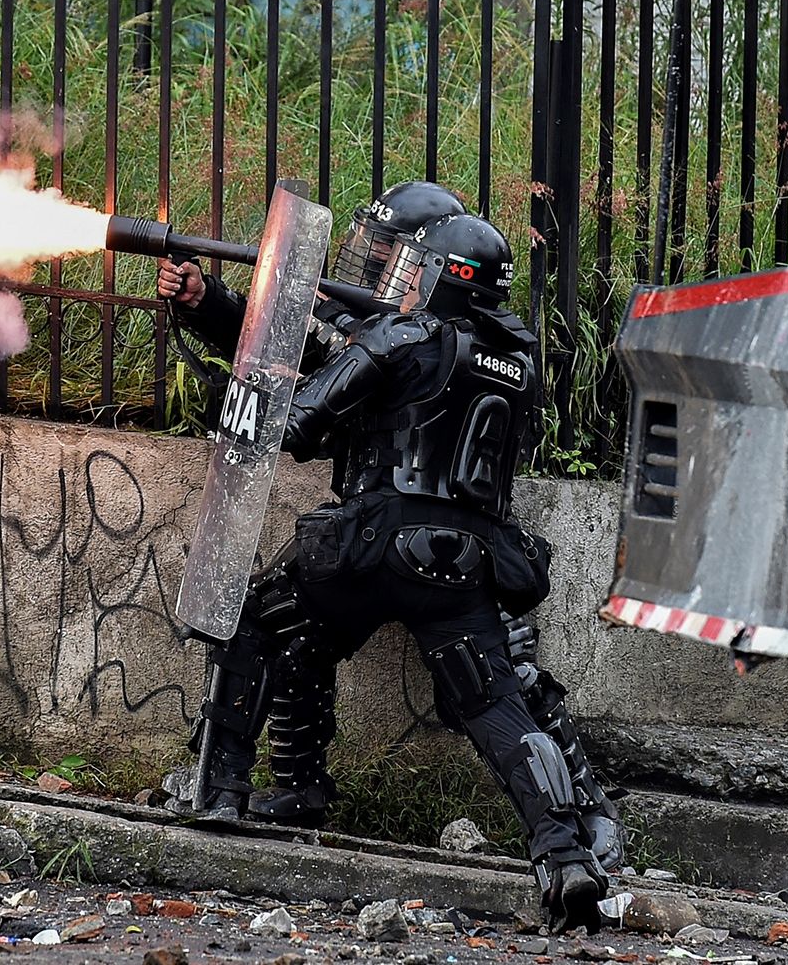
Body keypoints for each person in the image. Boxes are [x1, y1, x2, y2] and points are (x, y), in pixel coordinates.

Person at [158, 204, 616, 934]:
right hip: (465, 566)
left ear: (442, 275)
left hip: (372, 543)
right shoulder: (517, 361)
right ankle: (563, 856)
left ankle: (220, 791)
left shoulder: (402, 335)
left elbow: (301, 418)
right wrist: (215, 305)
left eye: (415, 267)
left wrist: (244, 398)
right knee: (495, 707)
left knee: (264, 619)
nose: (399, 278)